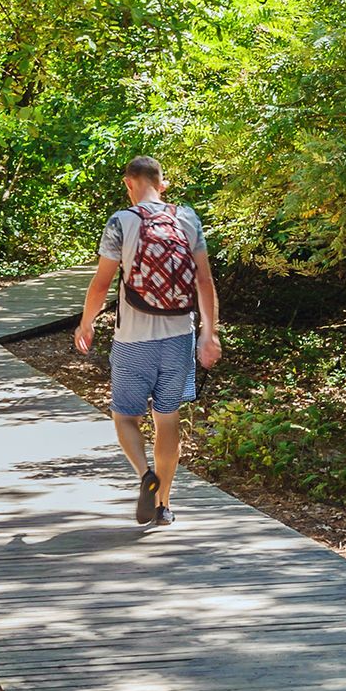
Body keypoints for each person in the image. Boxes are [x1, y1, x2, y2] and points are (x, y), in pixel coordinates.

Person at [72, 157, 219, 526]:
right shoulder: (187, 218)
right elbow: (204, 281)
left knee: (125, 417)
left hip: (132, 340)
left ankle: (144, 475)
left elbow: (102, 283)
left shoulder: (121, 222)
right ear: (162, 184)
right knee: (167, 419)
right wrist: (209, 332)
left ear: (129, 184)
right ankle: (164, 506)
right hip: (179, 337)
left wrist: (86, 324)